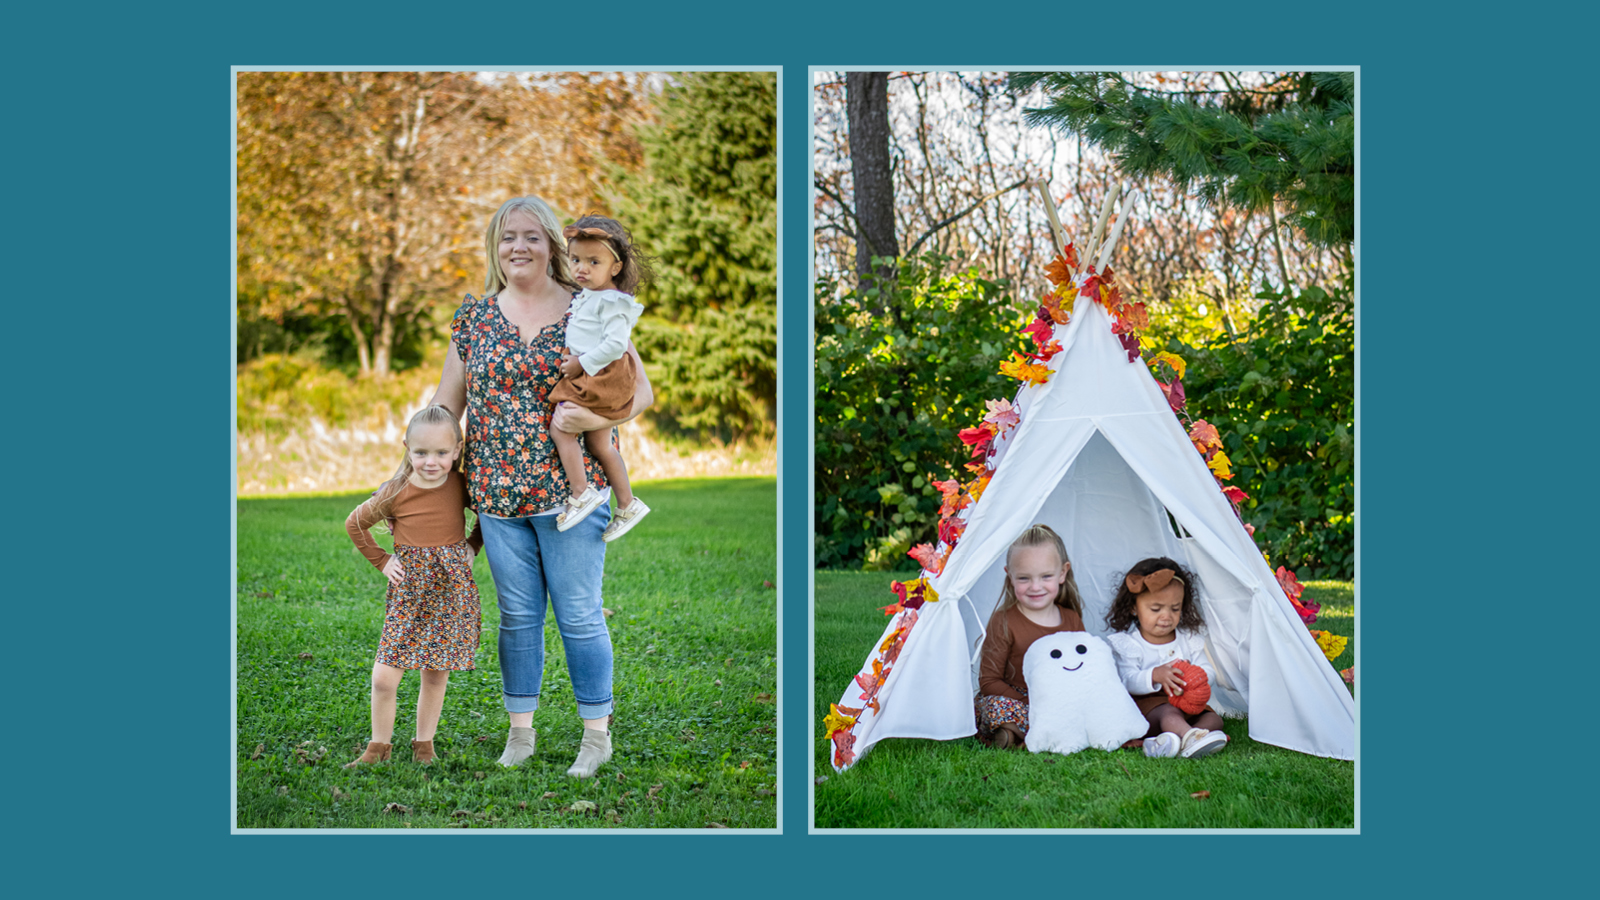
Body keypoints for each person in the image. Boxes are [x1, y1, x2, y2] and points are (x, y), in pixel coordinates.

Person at [431, 196, 652, 779]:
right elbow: (447, 403)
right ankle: (520, 734)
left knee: (579, 615)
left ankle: (596, 736)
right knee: (518, 617)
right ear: (494, 247)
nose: (519, 247)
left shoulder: (590, 304)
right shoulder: (475, 319)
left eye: (532, 236)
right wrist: (419, 458)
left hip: (572, 495)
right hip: (497, 495)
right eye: (508, 236)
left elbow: (641, 392)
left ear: (553, 244)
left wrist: (592, 419)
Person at [343, 405, 483, 768]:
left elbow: (487, 515)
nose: (430, 462)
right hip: (409, 594)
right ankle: (378, 748)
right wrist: (382, 560)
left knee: (435, 674)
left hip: (450, 593)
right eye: (421, 452)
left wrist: (472, 545)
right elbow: (355, 524)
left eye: (441, 453)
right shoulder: (396, 491)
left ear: (457, 450)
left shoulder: (461, 485)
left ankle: (424, 746)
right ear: (407, 448)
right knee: (384, 677)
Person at [549, 215, 651, 542]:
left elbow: (616, 345)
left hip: (603, 376)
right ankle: (628, 503)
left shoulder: (612, 300)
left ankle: (581, 493)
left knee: (561, 427)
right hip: (597, 373)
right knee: (599, 444)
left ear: (615, 267)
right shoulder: (590, 294)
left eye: (594, 262)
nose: (582, 268)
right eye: (576, 260)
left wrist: (580, 363)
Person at [1104, 557, 1229, 759]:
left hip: (1186, 702)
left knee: (1215, 719)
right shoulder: (1131, 644)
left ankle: (1180, 739)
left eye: (1175, 608)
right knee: (1169, 714)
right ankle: (1190, 737)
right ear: (1134, 607)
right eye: (1156, 609)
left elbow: (1208, 670)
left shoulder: (1188, 640)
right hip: (1151, 708)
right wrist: (1155, 675)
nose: (1166, 616)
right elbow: (1126, 680)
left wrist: (1195, 676)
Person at [975, 524, 1087, 748]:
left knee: (1081, 711)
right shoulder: (1003, 620)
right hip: (1016, 699)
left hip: (1059, 700)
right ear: (1010, 576)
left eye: (1046, 576)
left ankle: (1021, 736)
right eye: (1024, 578)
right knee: (995, 707)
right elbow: (989, 681)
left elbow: (1085, 671)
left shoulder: (1071, 619)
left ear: (1062, 573)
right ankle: (1022, 734)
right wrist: (1030, 703)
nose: (1035, 587)